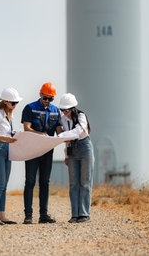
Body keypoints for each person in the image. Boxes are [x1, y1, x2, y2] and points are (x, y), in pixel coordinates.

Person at [21, 82, 63, 224]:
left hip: (47, 152)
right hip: (32, 150)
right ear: (40, 94)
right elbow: (27, 128)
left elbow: (59, 131)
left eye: (51, 99)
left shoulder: (56, 111)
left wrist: (70, 134)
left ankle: (43, 215)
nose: (47, 101)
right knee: (30, 182)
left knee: (45, 182)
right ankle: (28, 215)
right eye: (45, 98)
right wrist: (41, 134)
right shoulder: (30, 108)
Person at [0, 87, 23, 225]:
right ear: (5, 102)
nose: (15, 105)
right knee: (0, 183)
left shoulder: (9, 115)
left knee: (4, 184)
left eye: (16, 102)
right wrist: (7, 139)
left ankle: (2, 215)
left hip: (8, 149)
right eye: (13, 103)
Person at [58, 93, 94, 223]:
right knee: (73, 183)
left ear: (73, 108)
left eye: (66, 110)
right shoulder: (63, 119)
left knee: (85, 181)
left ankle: (84, 214)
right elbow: (66, 139)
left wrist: (62, 135)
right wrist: (66, 155)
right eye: (62, 110)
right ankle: (74, 214)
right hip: (71, 149)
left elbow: (78, 132)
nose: (64, 112)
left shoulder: (81, 116)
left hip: (84, 147)